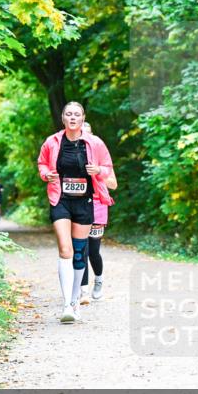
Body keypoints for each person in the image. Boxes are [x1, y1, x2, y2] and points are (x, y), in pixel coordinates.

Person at [37, 102, 115, 324]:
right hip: (60, 199)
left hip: (85, 201)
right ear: (63, 118)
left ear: (83, 119)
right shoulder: (52, 142)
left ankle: (74, 301)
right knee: (65, 249)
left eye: (77, 114)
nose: (72, 118)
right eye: (69, 114)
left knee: (80, 253)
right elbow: (42, 163)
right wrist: (47, 174)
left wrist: (98, 170)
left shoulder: (95, 143)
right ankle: (66, 305)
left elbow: (108, 168)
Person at [78, 122, 117, 304]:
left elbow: (113, 184)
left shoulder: (102, 159)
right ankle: (83, 290)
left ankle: (99, 281)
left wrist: (98, 172)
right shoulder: (74, 157)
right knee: (81, 249)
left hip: (98, 205)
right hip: (79, 206)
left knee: (93, 250)